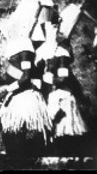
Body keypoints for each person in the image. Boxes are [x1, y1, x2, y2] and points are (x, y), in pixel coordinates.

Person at [0, 0, 52, 157]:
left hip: (25, 97)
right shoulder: (16, 47)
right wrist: (1, 78)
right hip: (15, 96)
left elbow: (26, 77)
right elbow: (17, 74)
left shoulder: (26, 50)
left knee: (20, 136)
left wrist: (7, 89)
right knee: (9, 135)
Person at [35, 21, 88, 156]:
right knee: (49, 130)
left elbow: (64, 77)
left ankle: (68, 155)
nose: (52, 31)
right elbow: (35, 72)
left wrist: (50, 79)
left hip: (61, 94)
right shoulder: (40, 51)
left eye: (55, 28)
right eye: (49, 28)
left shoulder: (62, 52)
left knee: (64, 130)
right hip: (46, 93)